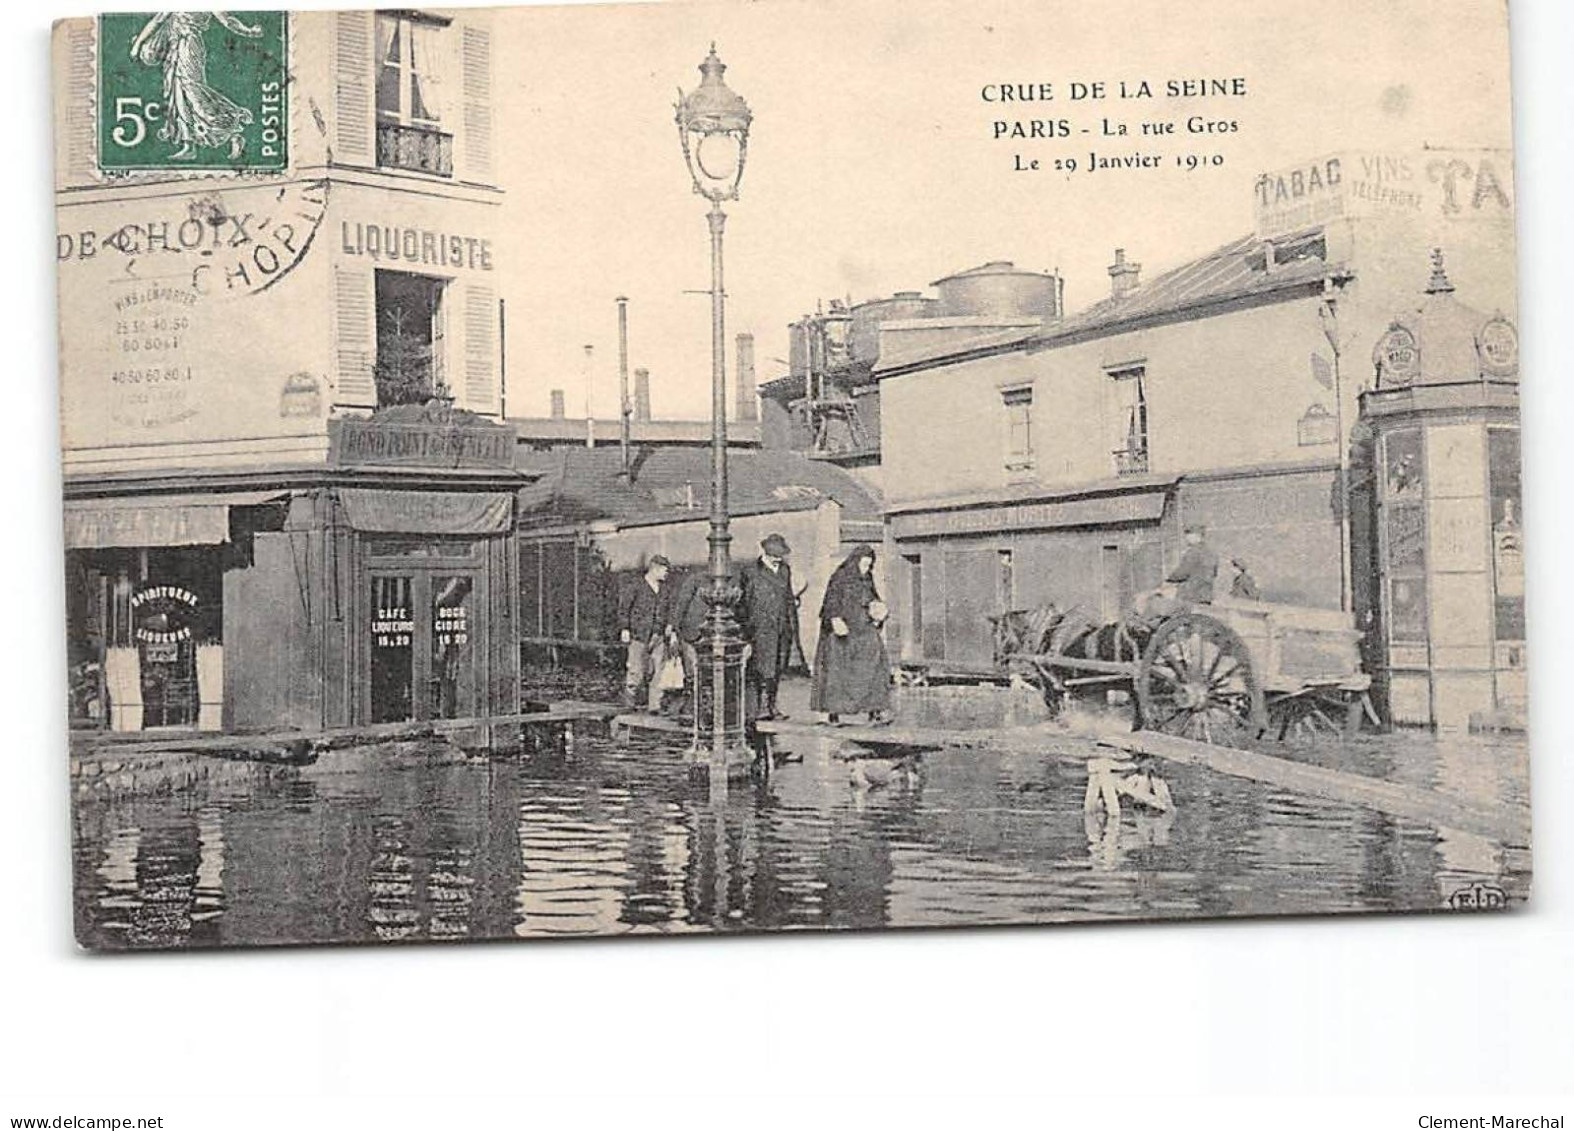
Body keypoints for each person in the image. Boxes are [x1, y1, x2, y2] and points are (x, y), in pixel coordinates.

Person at [810, 544, 892, 724]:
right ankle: (833, 713)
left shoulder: (867, 578)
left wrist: (879, 611)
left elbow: (873, 598)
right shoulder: (840, 578)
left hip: (864, 628)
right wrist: (835, 619)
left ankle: (874, 709)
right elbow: (830, 604)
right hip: (844, 631)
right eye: (863, 565)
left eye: (869, 566)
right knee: (838, 671)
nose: (866, 569)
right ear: (855, 562)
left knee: (876, 664)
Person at [736, 534, 800, 720]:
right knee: (763, 668)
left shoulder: (785, 570)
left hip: (781, 627)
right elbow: (742, 605)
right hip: (760, 629)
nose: (779, 558)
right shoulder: (750, 571)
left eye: (781, 554)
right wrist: (745, 632)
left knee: (778, 667)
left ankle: (772, 705)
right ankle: (761, 706)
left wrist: (792, 625)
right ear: (766, 552)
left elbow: (788, 598)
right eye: (775, 554)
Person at [618, 555, 672, 711]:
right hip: (639, 634)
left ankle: (655, 705)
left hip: (658, 636)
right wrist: (625, 628)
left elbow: (669, 610)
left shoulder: (664, 590)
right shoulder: (636, 586)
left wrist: (669, 626)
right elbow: (624, 608)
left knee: (658, 670)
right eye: (664, 570)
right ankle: (629, 702)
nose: (666, 573)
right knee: (637, 670)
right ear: (654, 568)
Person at [667, 566, 711, 720]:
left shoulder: (726, 581)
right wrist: (674, 630)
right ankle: (690, 707)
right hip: (691, 633)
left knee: (706, 672)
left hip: (710, 634)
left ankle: (702, 707)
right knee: (692, 671)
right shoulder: (695, 580)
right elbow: (681, 605)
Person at [1167, 523, 1219, 605]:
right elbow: (1215, 573)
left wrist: (1170, 578)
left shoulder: (1193, 552)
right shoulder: (1211, 553)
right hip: (1206, 595)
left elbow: (1182, 572)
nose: (1186, 538)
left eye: (1188, 535)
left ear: (1196, 536)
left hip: (1190, 595)